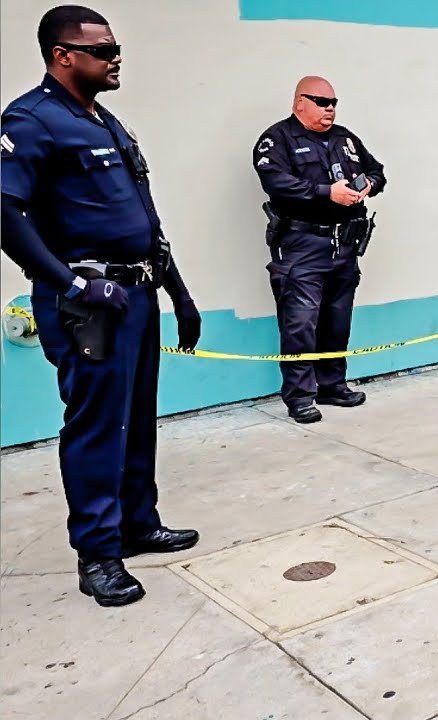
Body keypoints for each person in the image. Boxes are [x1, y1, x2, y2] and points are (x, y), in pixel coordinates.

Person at [0, 5, 202, 607]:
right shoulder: (32, 121)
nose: (117, 59)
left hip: (137, 297)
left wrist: (180, 294)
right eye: (104, 49)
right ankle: (98, 553)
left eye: (116, 49)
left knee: (137, 418)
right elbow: (6, 214)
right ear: (63, 55)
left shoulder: (105, 122)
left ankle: (138, 523)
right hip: (89, 305)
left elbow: (144, 221)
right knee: (96, 427)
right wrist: (70, 284)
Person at [253, 76, 386, 423]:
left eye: (334, 102)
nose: (330, 108)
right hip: (302, 245)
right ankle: (299, 396)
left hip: (345, 243)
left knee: (336, 320)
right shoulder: (276, 139)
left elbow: (377, 171)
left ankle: (332, 384)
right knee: (300, 323)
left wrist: (368, 184)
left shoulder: (345, 138)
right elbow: (278, 183)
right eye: (321, 101)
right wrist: (328, 192)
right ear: (300, 102)